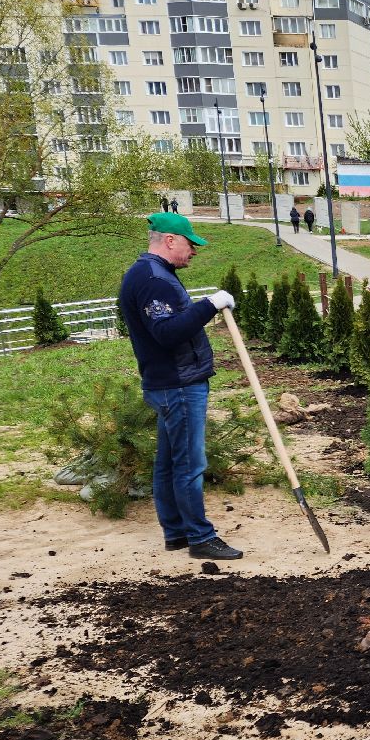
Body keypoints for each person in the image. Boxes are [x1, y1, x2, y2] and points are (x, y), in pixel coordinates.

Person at [118, 213, 242, 561]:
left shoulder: (150, 274)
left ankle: (176, 533)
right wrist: (209, 305)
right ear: (170, 239)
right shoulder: (154, 279)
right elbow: (167, 332)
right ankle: (200, 537)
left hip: (169, 383)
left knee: (170, 462)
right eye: (191, 243)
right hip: (178, 385)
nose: (195, 251)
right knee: (189, 464)